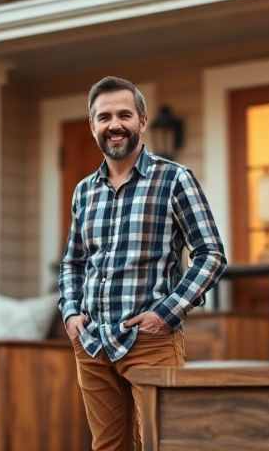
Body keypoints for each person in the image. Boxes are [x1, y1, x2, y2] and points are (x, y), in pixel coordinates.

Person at [58, 76, 227, 450]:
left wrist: (165, 313)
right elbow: (73, 261)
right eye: (104, 117)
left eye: (124, 115)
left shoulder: (174, 180)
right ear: (93, 126)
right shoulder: (84, 191)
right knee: (108, 447)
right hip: (93, 344)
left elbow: (211, 254)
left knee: (161, 442)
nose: (114, 124)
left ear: (142, 121)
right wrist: (71, 314)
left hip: (150, 342)